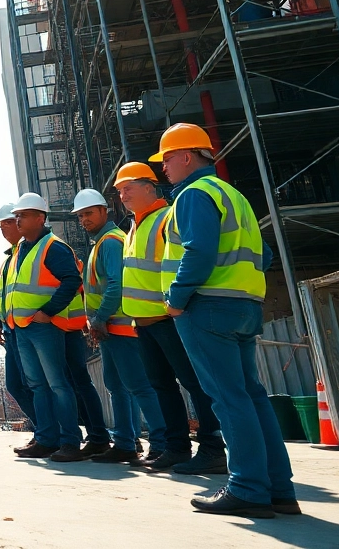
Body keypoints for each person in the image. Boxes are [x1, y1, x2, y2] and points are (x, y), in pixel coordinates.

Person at [153, 123, 297, 518]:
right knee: (251, 396)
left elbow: (197, 253)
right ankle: (279, 489)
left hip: (206, 306)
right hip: (244, 305)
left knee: (229, 399)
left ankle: (248, 488)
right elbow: (264, 256)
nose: (163, 169)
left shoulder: (193, 195)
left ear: (186, 157)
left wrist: (177, 299)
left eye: (166, 159)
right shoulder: (233, 196)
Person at [117, 160, 227, 474]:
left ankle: (212, 448)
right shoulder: (134, 226)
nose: (122, 195)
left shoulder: (166, 217)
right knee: (163, 387)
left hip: (169, 318)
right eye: (119, 191)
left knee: (195, 384)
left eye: (128, 188)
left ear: (150, 188)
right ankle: (175, 448)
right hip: (145, 322)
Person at [6, 192, 106, 462]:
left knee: (58, 384)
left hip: (45, 327)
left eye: (23, 215)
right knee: (38, 385)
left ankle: (70, 442)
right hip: (24, 327)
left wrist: (48, 311)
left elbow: (71, 280)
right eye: (16, 216)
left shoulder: (53, 247)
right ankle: (46, 440)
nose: (17, 220)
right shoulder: (21, 249)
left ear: (40, 218)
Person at [72, 187, 168, 466]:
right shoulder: (100, 243)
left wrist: (100, 318)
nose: (84, 220)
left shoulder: (111, 241)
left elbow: (116, 284)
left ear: (105, 211)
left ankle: (161, 443)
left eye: (89, 214)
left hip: (122, 327)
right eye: (80, 216)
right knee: (116, 384)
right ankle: (125, 443)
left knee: (138, 385)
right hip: (111, 328)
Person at [0, 202, 39, 436]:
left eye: (8, 222)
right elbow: (3, 295)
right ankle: (44, 429)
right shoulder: (9, 260)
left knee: (36, 385)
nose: (4, 228)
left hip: (30, 328)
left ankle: (51, 432)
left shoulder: (29, 252)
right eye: (2, 225)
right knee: (16, 385)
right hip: (12, 330)